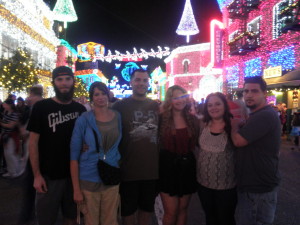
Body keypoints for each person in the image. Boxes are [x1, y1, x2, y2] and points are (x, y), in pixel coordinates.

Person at [27, 66, 86, 225]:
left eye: (67, 79)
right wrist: (37, 175)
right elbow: (32, 143)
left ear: (73, 81)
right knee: (46, 220)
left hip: (74, 177)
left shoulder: (80, 110)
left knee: (72, 218)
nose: (64, 83)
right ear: (53, 82)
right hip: (48, 176)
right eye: (59, 79)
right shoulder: (42, 107)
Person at [70, 81, 122, 225]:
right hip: (89, 178)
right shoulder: (83, 120)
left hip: (111, 175)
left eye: (103, 93)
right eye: (96, 94)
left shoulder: (117, 116)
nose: (100, 97)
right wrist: (76, 190)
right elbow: (73, 157)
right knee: (91, 221)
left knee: (110, 221)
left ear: (108, 95)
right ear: (91, 97)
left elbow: (119, 144)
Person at [231, 76, 281, 225]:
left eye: (254, 91)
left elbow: (238, 141)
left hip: (258, 187)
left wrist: (233, 124)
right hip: (255, 184)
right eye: (246, 91)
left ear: (264, 93)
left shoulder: (264, 115)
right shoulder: (257, 115)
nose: (249, 95)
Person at [113, 69, 159, 225]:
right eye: (138, 80)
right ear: (131, 82)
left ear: (149, 83)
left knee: (146, 211)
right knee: (128, 212)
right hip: (128, 170)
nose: (141, 83)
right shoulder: (119, 106)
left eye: (145, 80)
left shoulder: (156, 106)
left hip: (151, 170)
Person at [159, 85, 199, 225]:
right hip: (167, 167)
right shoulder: (161, 119)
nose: (179, 100)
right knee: (171, 211)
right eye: (175, 97)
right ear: (170, 99)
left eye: (182, 97)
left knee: (183, 209)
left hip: (187, 166)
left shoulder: (193, 120)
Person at [196, 92, 237, 225]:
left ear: (224, 105)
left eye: (217, 104)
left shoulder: (232, 125)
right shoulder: (202, 125)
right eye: (210, 105)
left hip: (226, 187)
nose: (214, 108)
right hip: (204, 184)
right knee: (210, 217)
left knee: (226, 219)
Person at [0, 99, 21, 178]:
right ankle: (10, 171)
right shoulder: (6, 112)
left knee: (10, 154)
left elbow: (10, 125)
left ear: (9, 105)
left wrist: (1, 123)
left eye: (4, 104)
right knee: (7, 154)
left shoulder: (14, 114)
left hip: (11, 136)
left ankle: (15, 171)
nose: (3, 105)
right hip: (5, 135)